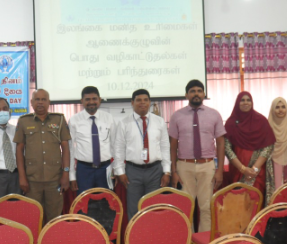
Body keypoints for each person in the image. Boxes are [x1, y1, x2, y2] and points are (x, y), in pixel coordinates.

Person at [169, 79, 226, 232]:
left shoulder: (214, 115)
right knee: (185, 207)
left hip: (207, 165)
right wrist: (174, 171)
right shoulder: (177, 116)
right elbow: (172, 146)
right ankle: (188, 242)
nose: (196, 94)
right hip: (184, 166)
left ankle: (204, 242)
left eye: (199, 91)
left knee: (206, 207)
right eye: (192, 91)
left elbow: (221, 143)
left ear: (204, 94)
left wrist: (220, 170)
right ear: (186, 95)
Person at [14, 89, 71, 223]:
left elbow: (65, 148)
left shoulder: (59, 119)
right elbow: (19, 150)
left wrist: (66, 173)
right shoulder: (24, 121)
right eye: (37, 99)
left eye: (43, 99)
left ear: (49, 102)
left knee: (54, 217)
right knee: (33, 217)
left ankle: (52, 237)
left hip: (54, 179)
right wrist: (22, 177)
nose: (40, 102)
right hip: (32, 181)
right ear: (31, 102)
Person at [113, 89, 171, 219]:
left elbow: (165, 147)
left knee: (154, 208)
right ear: (132, 103)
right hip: (133, 172)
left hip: (155, 171)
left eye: (145, 100)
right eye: (138, 100)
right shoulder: (124, 123)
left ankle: (152, 232)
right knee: (134, 209)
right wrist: (120, 172)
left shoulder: (159, 121)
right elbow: (119, 149)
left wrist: (167, 171)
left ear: (149, 102)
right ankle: (134, 232)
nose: (142, 103)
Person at [224, 91, 276, 201]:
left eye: (248, 100)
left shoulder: (261, 121)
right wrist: (243, 169)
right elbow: (227, 148)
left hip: (257, 171)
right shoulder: (230, 123)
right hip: (237, 170)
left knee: (255, 200)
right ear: (237, 103)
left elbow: (268, 146)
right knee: (238, 201)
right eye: (242, 100)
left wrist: (254, 169)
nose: (245, 102)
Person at [69, 86, 115, 195]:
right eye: (87, 99)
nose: (91, 102)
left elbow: (115, 145)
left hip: (105, 169)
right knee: (84, 202)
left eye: (94, 99)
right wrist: (72, 176)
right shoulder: (74, 120)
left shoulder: (109, 118)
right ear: (82, 101)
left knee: (106, 201)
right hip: (84, 170)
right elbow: (70, 149)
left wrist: (116, 169)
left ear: (99, 100)